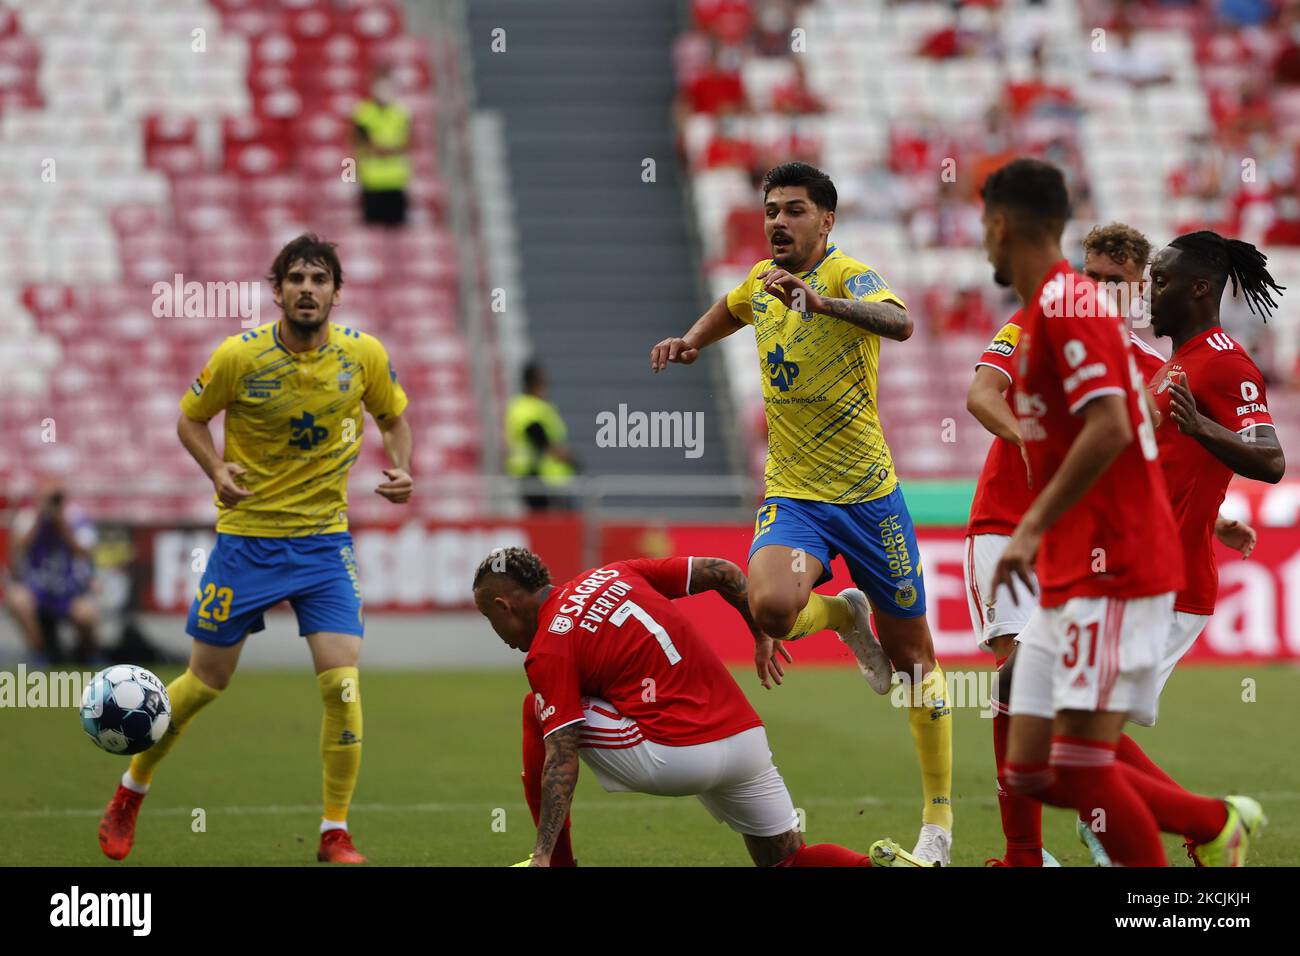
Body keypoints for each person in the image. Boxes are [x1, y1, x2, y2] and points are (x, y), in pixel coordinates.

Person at [650, 161, 954, 865]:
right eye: (771, 211)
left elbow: (900, 323)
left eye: (793, 210)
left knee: (916, 665)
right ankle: (843, 616)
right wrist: (695, 340)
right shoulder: (761, 281)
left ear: (827, 221)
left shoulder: (849, 275)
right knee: (771, 610)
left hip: (871, 499)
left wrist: (819, 304)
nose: (778, 222)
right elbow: (733, 306)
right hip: (796, 498)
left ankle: (936, 829)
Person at [96, 234, 414, 864]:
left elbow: (394, 418)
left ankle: (334, 832)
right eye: (295, 277)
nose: (306, 288)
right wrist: (215, 470)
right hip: (246, 544)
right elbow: (190, 419)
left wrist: (401, 468)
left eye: (319, 279)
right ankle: (132, 788)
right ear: (276, 291)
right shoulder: (238, 358)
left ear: (335, 293)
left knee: (343, 687)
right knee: (204, 684)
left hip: (325, 545)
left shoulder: (363, 357)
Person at [982, 157, 1262, 866]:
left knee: (1077, 763)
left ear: (1000, 224)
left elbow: (1108, 427)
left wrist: (1030, 529)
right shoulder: (1057, 310)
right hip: (1077, 563)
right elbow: (1129, 435)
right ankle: (1213, 820)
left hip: (1119, 565)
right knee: (1032, 766)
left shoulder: (1068, 308)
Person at [472, 546, 929, 867]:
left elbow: (562, 756)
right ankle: (884, 864)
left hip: (673, 755)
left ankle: (555, 865)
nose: (496, 632)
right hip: (745, 741)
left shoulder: (548, 648)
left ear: (503, 605)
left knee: (541, 710)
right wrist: (759, 630)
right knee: (787, 858)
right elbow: (722, 570)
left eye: (489, 619)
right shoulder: (615, 573)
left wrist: (543, 851)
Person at [5, 477, 102, 666]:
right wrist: (40, 521)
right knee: (17, 599)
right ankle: (39, 655)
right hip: (37, 590)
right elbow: (18, 548)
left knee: (87, 615)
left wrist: (62, 525)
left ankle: (88, 655)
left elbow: (83, 551)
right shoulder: (29, 517)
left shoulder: (76, 517)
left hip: (68, 591)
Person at [504, 361, 577, 511]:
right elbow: (538, 438)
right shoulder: (526, 407)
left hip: (547, 480)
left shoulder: (535, 406)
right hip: (536, 478)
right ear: (533, 383)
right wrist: (566, 456)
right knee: (547, 525)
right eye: (543, 381)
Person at [352, 68, 410, 227]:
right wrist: (349, 177)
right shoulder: (363, 113)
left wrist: (387, 149)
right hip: (371, 182)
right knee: (372, 230)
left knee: (398, 230)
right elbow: (356, 144)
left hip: (397, 181)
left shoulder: (401, 112)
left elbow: (408, 142)